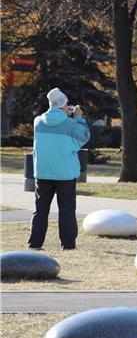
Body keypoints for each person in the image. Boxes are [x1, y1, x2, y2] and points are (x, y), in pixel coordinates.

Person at [27, 88, 90, 251]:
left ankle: (34, 244)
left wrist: (65, 115)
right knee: (66, 210)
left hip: (43, 172)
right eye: (67, 104)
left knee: (40, 210)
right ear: (63, 105)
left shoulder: (38, 121)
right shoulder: (71, 123)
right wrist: (79, 117)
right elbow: (84, 136)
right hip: (65, 172)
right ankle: (68, 245)